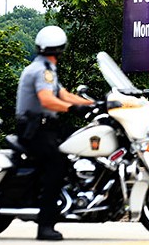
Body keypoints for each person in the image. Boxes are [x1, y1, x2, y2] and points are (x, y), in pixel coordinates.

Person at [16, 26, 94, 241]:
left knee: (80, 142)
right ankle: (45, 226)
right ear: (61, 49)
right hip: (35, 130)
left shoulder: (44, 67)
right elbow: (47, 100)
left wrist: (96, 104)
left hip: (44, 127)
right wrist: (74, 109)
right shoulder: (43, 70)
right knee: (57, 166)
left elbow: (63, 94)